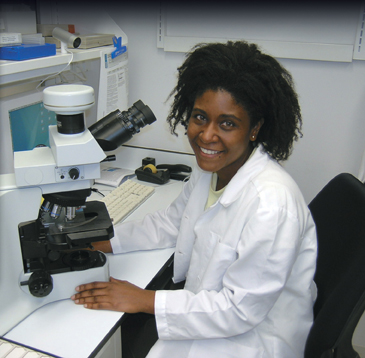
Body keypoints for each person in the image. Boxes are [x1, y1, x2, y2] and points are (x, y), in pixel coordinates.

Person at [71, 41, 317, 358]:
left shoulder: (272, 205)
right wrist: (106, 240)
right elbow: (172, 222)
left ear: (254, 128)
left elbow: (239, 311)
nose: (207, 135)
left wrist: (144, 299)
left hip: (253, 338)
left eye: (227, 123)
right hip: (211, 309)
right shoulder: (212, 169)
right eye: (200, 117)